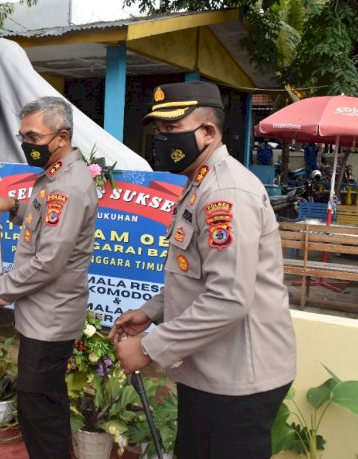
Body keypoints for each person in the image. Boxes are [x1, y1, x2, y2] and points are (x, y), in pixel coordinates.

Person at [111, 81, 297, 459]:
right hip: (210, 369)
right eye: (159, 131)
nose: (161, 140)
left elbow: (228, 298)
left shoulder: (225, 194)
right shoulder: (199, 185)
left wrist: (148, 347)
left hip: (239, 380)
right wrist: (150, 311)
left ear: (208, 132)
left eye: (171, 130)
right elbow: (194, 274)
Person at [0, 96, 98, 459]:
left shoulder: (67, 186)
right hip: (44, 313)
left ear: (61, 137)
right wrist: (13, 206)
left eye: (34, 137)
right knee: (45, 400)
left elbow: (48, 262)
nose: (27, 145)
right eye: (23, 136)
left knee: (37, 409)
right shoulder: (57, 177)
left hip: (50, 317)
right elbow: (46, 223)